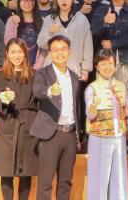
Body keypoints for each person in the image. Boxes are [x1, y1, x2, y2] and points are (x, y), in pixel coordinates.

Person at [0, 39, 40, 200]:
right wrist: (4, 99)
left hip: (28, 123)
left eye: (20, 52)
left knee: (26, 170)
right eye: (13, 52)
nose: (16, 56)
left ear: (25, 53)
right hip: (8, 122)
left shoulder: (34, 74)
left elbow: (40, 100)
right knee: (6, 170)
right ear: (7, 54)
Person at [32, 35, 80, 200]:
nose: (60, 53)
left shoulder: (74, 77)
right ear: (50, 53)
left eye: (63, 49)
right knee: (45, 181)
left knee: (66, 181)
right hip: (51, 134)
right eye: (55, 50)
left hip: (70, 134)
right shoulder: (42, 73)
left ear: (69, 51)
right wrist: (49, 90)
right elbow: (37, 90)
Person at [85, 49, 128, 200]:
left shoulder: (121, 85)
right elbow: (90, 113)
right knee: (98, 178)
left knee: (119, 177)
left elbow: (126, 111)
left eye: (110, 63)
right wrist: (93, 108)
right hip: (99, 137)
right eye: (103, 63)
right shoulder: (92, 88)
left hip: (119, 136)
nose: (107, 67)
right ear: (97, 66)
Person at [37, 0, 94, 82]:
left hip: (74, 69)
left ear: (72, 0)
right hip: (52, 71)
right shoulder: (49, 19)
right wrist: (51, 33)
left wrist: (85, 69)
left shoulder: (82, 19)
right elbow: (41, 44)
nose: (64, 0)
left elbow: (88, 46)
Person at [4, 0, 43, 68]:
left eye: (30, 0)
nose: (26, 3)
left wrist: (37, 66)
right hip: (16, 65)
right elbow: (8, 43)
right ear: (19, 2)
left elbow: (44, 48)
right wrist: (14, 25)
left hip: (36, 66)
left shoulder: (42, 21)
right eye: (23, 0)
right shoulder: (12, 20)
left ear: (35, 2)